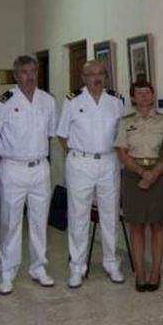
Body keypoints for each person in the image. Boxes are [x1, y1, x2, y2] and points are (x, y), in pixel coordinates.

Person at [0, 55, 57, 295]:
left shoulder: (47, 100)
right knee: (11, 223)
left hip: (40, 167)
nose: (29, 77)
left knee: (39, 221)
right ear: (16, 75)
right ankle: (7, 272)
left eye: (33, 71)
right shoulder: (3, 102)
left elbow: (49, 134)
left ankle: (39, 267)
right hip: (12, 168)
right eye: (24, 72)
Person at [57, 60, 126, 288]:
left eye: (101, 74)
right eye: (91, 74)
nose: (97, 78)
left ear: (105, 77)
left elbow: (122, 133)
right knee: (78, 216)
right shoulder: (72, 100)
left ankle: (111, 262)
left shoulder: (116, 101)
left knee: (110, 214)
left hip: (108, 161)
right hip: (80, 162)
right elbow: (62, 134)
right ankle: (77, 267)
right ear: (83, 77)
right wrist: (77, 154)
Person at [114, 80, 163, 292]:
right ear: (132, 98)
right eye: (139, 93)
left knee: (158, 224)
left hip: (158, 174)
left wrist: (153, 174)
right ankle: (140, 272)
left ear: (152, 96)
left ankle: (156, 271)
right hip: (133, 177)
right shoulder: (125, 122)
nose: (143, 96)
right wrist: (143, 173)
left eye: (147, 92)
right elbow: (121, 153)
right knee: (136, 226)